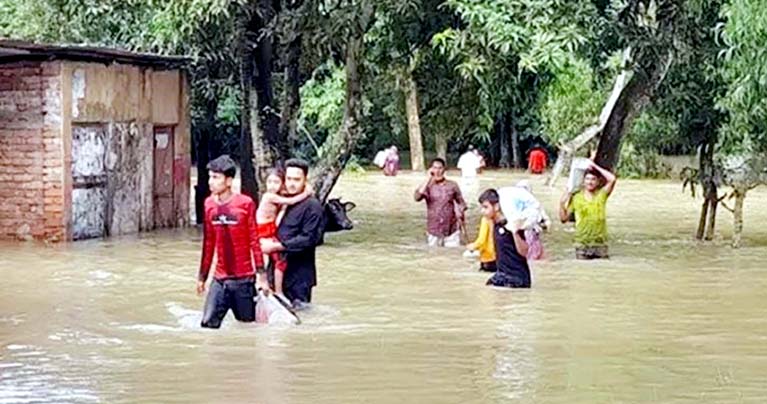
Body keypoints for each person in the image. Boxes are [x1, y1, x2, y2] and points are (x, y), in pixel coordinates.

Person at [197, 155, 268, 329]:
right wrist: (202, 277)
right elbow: (208, 243)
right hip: (220, 278)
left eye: (216, 177)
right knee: (207, 324)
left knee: (248, 327)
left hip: (243, 280)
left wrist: (262, 276)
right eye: (210, 177)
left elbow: (254, 240)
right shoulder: (208, 205)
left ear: (228, 181)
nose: (210, 182)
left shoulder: (245, 203)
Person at [260, 159, 325, 308]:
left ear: (305, 180)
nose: (292, 183)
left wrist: (277, 246)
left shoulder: (312, 206)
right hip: (275, 273)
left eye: (297, 179)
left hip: (298, 279)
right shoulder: (282, 201)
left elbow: (310, 239)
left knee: (299, 321)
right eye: (289, 179)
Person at [256, 168, 314, 299]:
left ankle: (274, 289)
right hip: (264, 230)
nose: (272, 185)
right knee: (270, 259)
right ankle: (269, 287)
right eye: (269, 182)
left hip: (270, 228)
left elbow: (288, 195)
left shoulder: (280, 194)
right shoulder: (268, 196)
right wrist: (306, 192)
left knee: (278, 261)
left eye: (276, 182)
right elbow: (291, 201)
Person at [558, 160, 617, 259]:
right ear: (583, 181)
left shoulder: (601, 195)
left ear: (598, 182)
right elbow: (564, 219)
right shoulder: (576, 197)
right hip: (582, 243)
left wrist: (594, 165)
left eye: (593, 179)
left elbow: (612, 179)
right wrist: (561, 204)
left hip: (600, 243)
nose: (590, 182)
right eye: (587, 179)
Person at [478, 189, 531, 288]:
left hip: (517, 278)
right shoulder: (494, 224)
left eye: (485, 207)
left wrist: (515, 232)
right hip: (502, 275)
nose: (482, 211)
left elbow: (524, 251)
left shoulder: (511, 224)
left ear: (496, 206)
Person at [414, 158, 467, 247]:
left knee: (452, 255)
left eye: (440, 168)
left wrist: (460, 210)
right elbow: (417, 197)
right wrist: (428, 178)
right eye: (435, 168)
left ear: (444, 169)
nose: (437, 171)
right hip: (433, 229)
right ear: (431, 169)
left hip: (451, 229)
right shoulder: (427, 186)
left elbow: (462, 203)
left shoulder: (452, 185)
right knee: (433, 256)